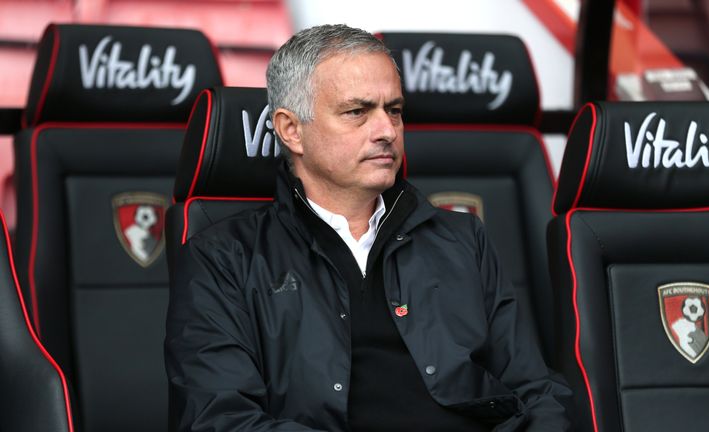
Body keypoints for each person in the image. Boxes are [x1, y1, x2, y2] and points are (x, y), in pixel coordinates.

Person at [165, 24, 570, 431]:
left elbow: (534, 391)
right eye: (357, 112)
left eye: (393, 110)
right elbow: (220, 421)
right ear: (291, 130)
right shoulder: (222, 257)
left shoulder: (463, 239)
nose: (387, 131)